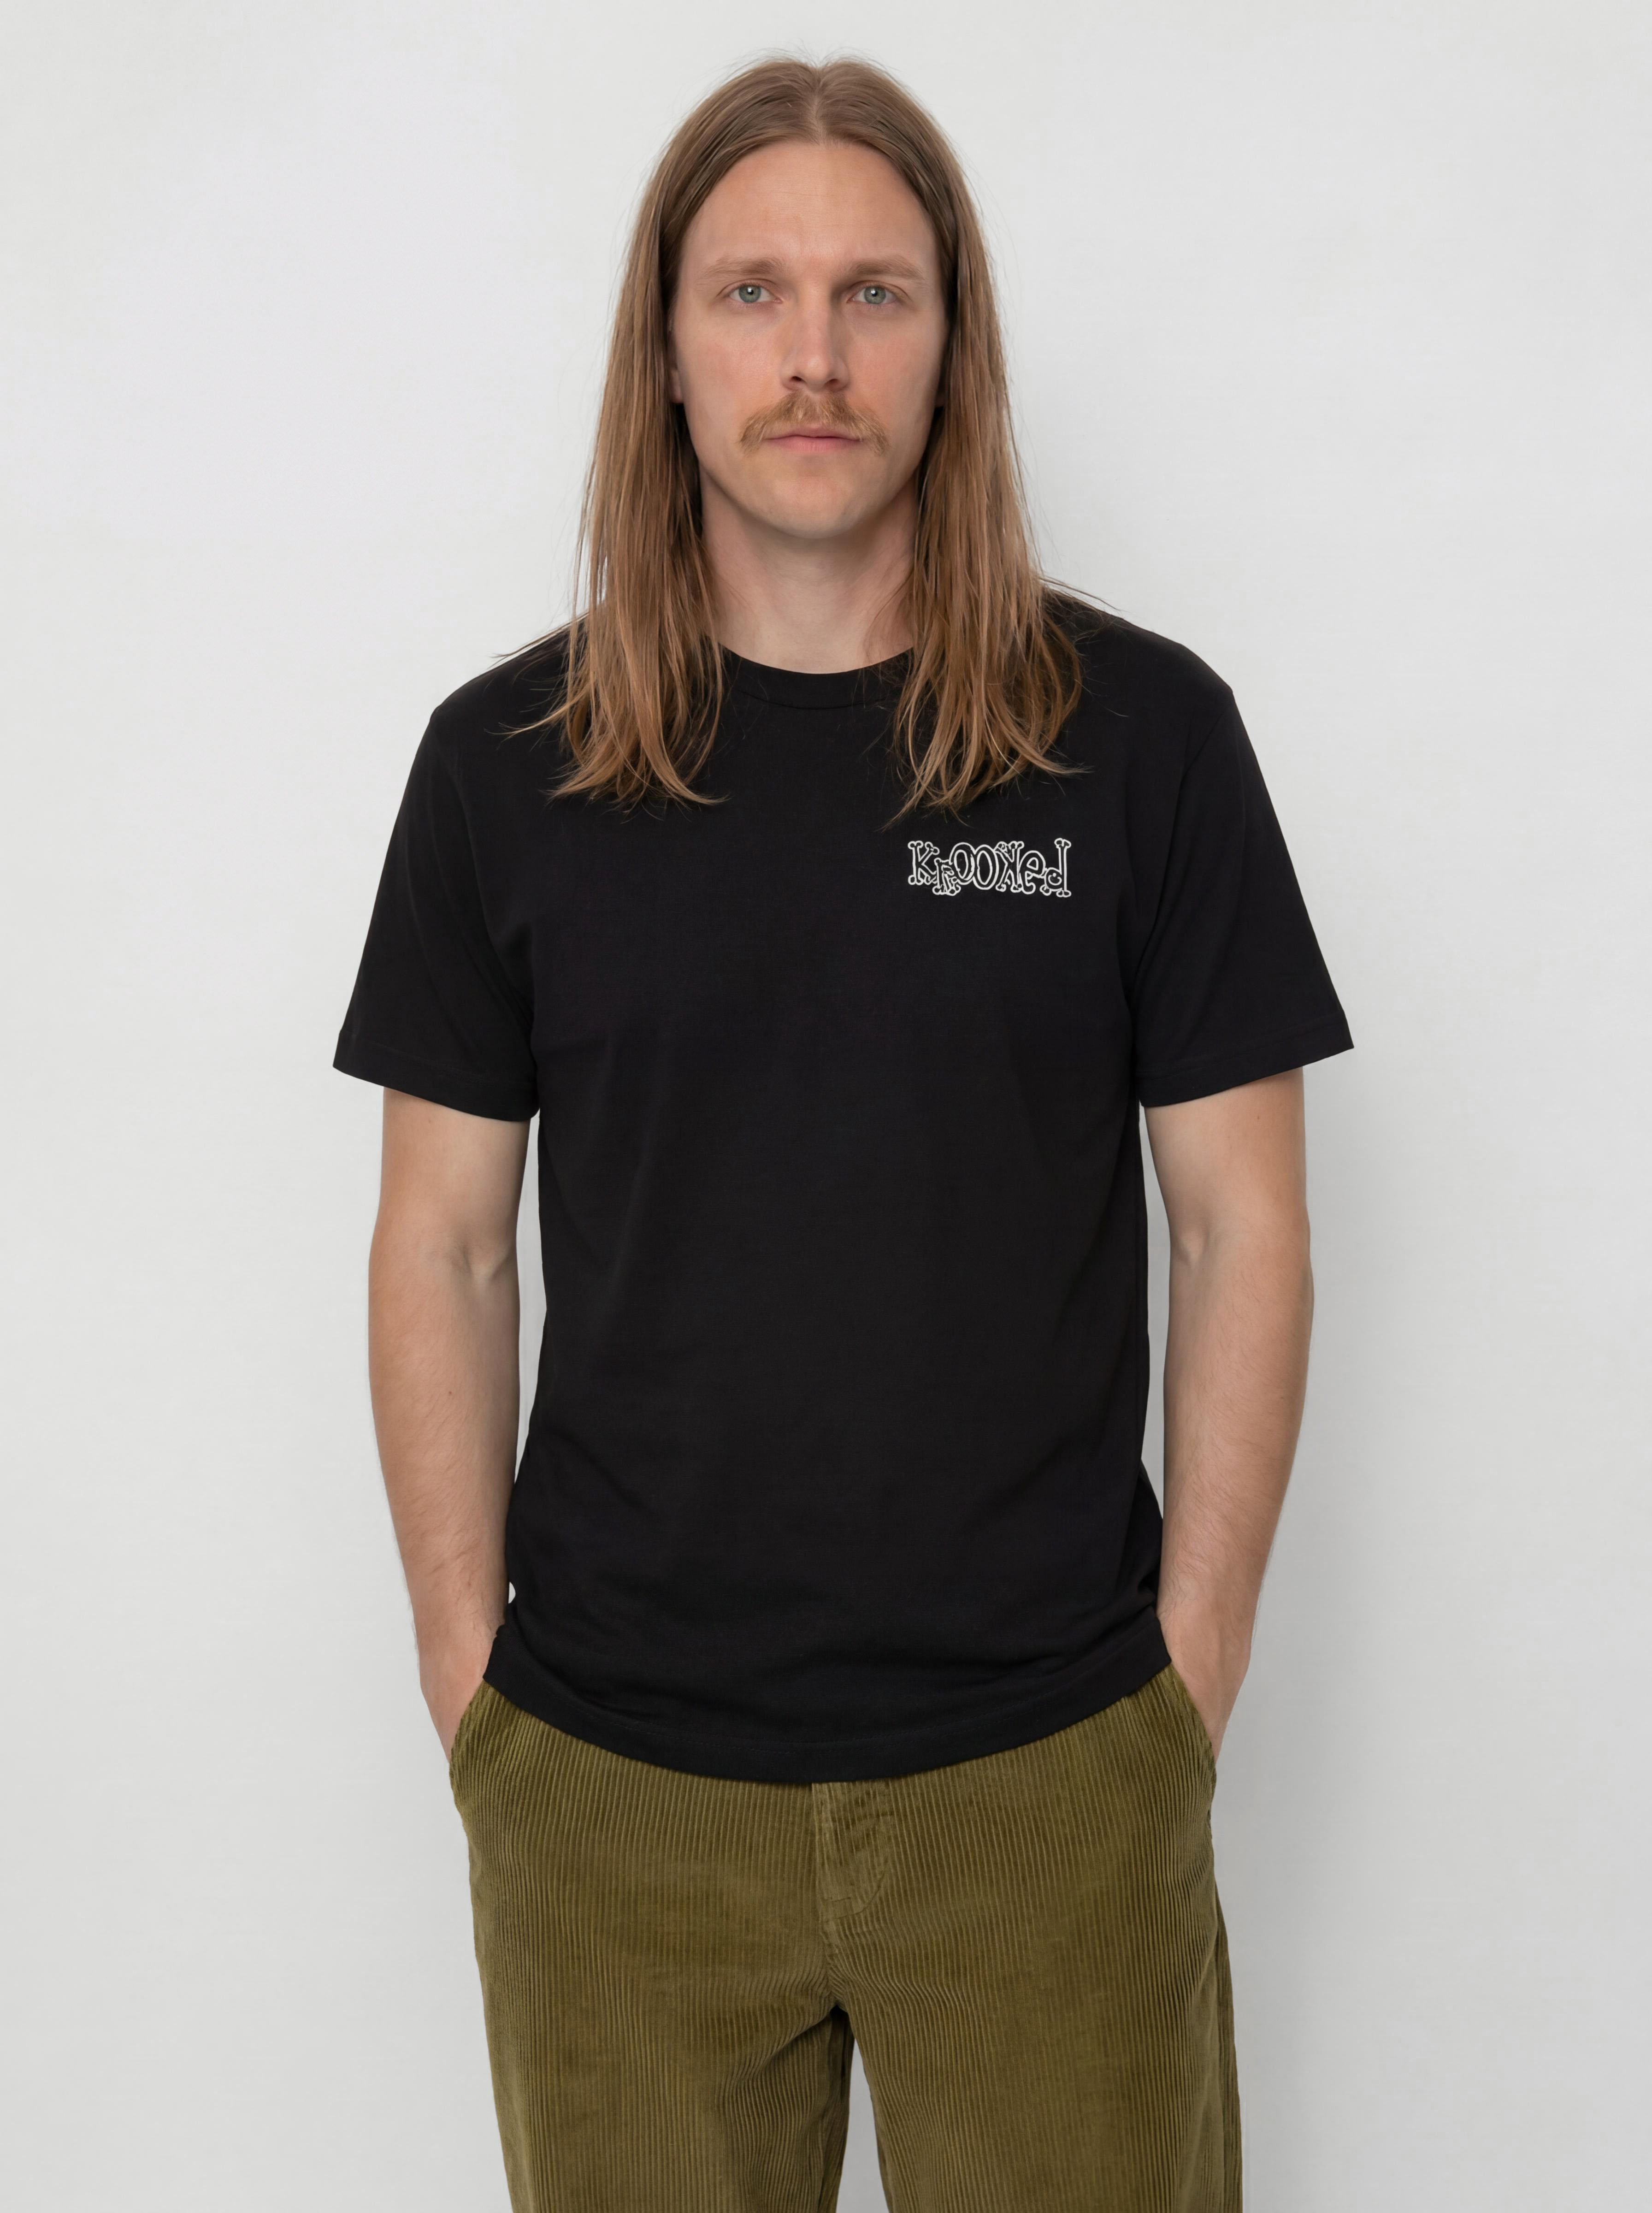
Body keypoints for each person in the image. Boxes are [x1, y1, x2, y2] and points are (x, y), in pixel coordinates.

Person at [333, 53, 1351, 2213]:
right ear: (665, 350)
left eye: (873, 294)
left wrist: (1181, 1683)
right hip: (612, 1784)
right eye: (752, 294)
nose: (812, 356)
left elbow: (1238, 1225)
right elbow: (440, 1242)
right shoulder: (502, 766)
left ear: (951, 344)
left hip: (1048, 1768)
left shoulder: (1140, 741)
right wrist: (470, 1687)